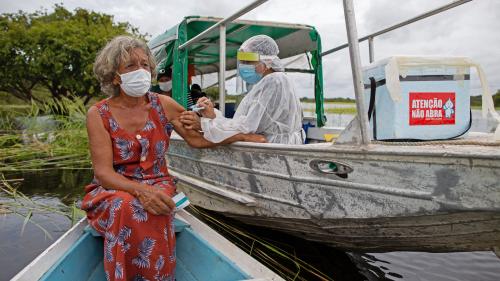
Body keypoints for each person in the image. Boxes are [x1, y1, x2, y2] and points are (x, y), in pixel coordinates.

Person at [81, 35, 265, 281]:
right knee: (124, 206)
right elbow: (104, 173)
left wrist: (238, 135)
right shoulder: (98, 114)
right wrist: (139, 191)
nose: (141, 71)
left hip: (158, 183)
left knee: (151, 206)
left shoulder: (163, 105)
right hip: (114, 187)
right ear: (115, 76)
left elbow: (198, 138)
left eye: (145, 65)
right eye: (131, 66)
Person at [180, 35, 304, 144]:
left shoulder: (273, 81)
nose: (243, 66)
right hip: (275, 147)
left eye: (248, 61)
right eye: (242, 61)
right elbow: (245, 123)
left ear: (266, 62)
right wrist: (212, 115)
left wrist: (204, 123)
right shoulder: (275, 81)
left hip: (274, 150)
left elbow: (247, 127)